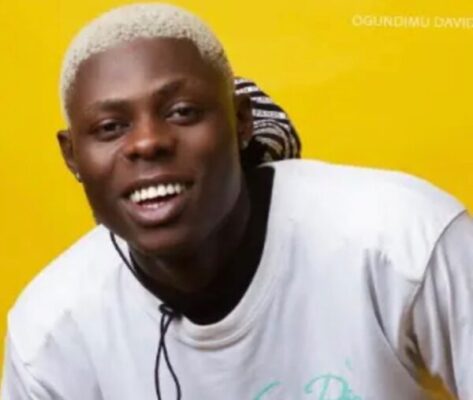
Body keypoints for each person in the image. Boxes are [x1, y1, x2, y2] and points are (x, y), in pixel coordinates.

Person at [2, 3, 472, 400]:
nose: (147, 142)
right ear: (72, 156)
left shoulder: (400, 241)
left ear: (240, 120)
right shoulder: (50, 335)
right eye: (110, 127)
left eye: (182, 112)